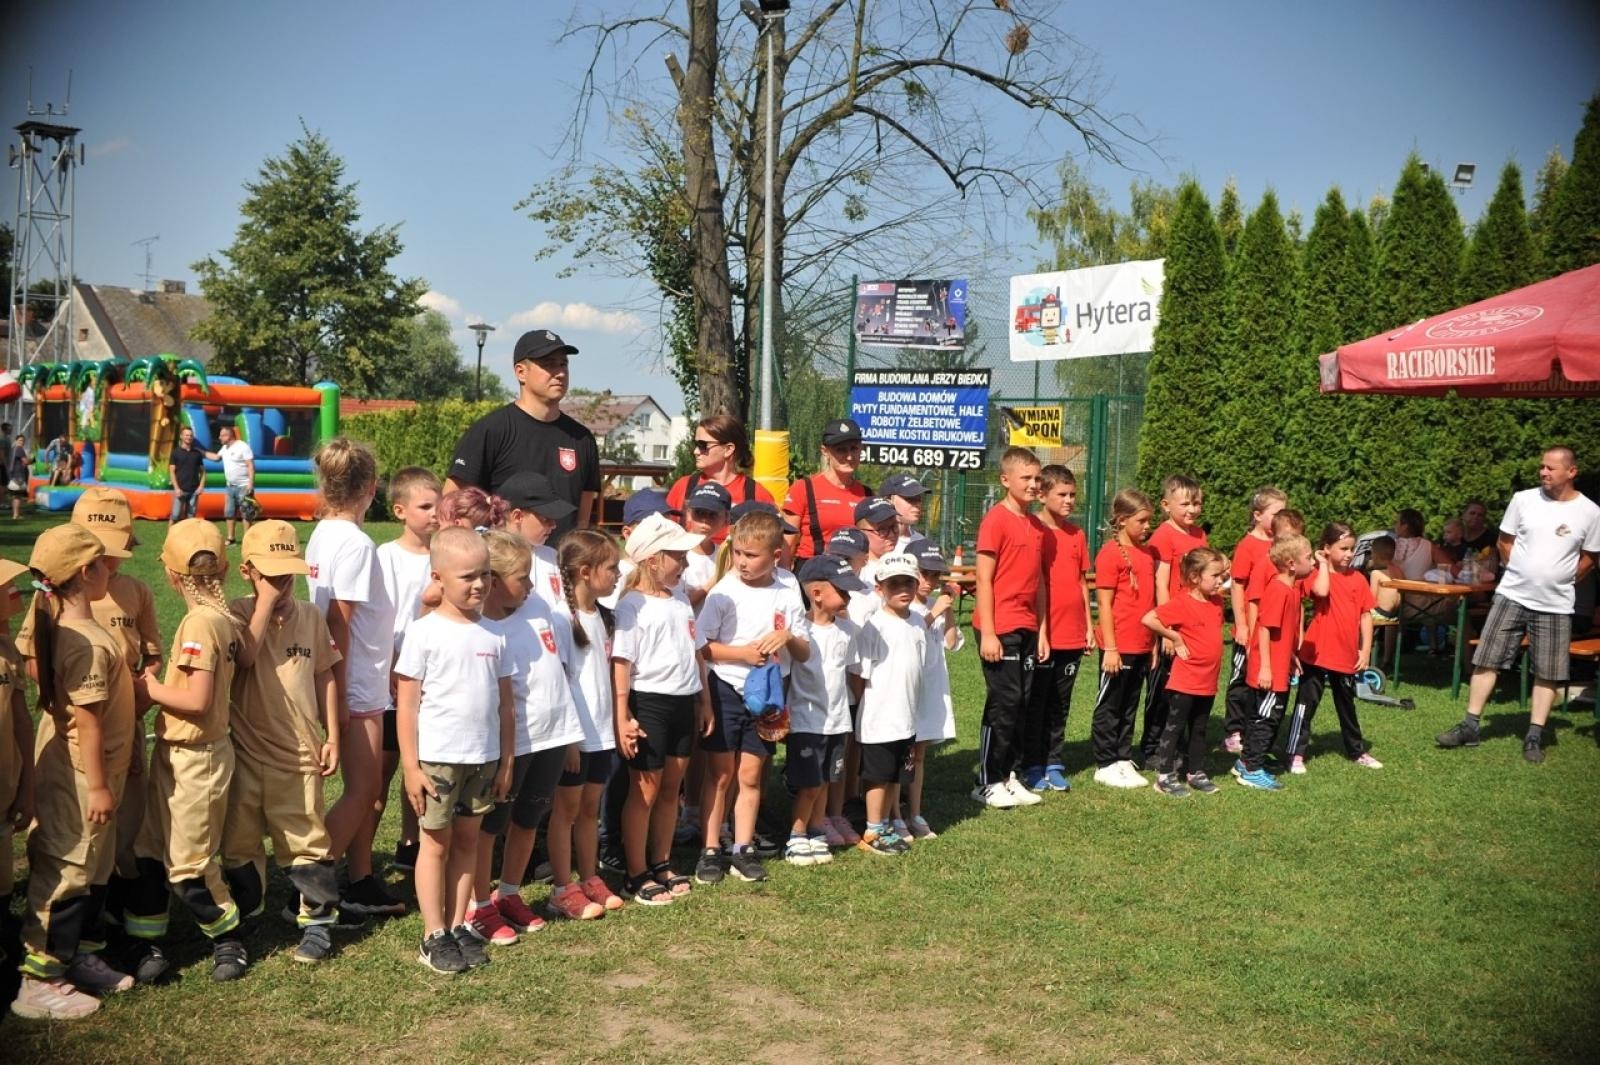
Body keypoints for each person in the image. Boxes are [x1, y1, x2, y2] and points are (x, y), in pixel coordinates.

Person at [17, 488, 164, 932]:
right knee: (66, 832)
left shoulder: (135, 593)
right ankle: (56, 929)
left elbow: (153, 655)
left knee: (121, 828)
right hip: (74, 732)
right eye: (101, 553)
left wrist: (135, 695)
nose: (109, 562)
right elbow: (31, 658)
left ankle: (104, 919)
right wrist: (85, 693)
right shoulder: (54, 596)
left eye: (115, 552)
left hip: (123, 730)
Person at [12, 527, 135, 1019]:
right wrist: (100, 786)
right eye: (105, 562)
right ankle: (37, 980)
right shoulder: (82, 641)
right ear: (87, 572)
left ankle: (78, 953)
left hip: (98, 774)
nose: (112, 569)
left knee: (91, 868)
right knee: (67, 869)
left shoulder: (69, 625)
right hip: (84, 779)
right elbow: (86, 721)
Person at [125, 519, 249, 981]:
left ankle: (228, 937)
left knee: (189, 864)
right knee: (149, 847)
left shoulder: (199, 622)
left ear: (173, 577)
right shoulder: (224, 616)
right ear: (226, 567)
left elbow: (196, 701)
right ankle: (147, 940)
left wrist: (150, 688)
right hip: (178, 754)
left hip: (198, 758)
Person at [220, 521, 343, 964]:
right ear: (246, 571)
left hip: (301, 753)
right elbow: (247, 657)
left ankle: (317, 924)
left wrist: (333, 735)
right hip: (247, 755)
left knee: (309, 840)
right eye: (270, 576)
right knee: (239, 842)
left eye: (287, 574)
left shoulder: (309, 616)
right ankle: (248, 914)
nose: (282, 583)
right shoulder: (234, 614)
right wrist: (264, 604)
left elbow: (326, 673)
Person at [396, 527, 515, 974]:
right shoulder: (423, 633)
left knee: (468, 842)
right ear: (438, 578)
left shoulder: (495, 636)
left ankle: (457, 923)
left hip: (483, 759)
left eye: (485, 574)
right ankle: (433, 933)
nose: (479, 584)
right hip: (438, 759)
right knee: (435, 844)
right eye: (467, 576)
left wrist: (506, 760)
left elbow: (506, 707)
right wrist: (411, 766)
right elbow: (406, 706)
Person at [1438, 447, 1600, 763]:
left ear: (1571, 472)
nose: (1543, 472)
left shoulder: (1590, 512)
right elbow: (1504, 541)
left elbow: (1591, 557)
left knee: (1548, 671)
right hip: (1511, 595)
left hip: (1556, 604)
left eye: (1551, 468)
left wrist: (1562, 580)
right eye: (1542, 467)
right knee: (1487, 658)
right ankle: (1470, 725)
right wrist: (1520, 574)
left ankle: (1534, 736)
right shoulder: (1523, 499)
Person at [468, 531, 590, 941]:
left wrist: (570, 734)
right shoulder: (481, 627)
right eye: (522, 577)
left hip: (553, 736)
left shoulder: (538, 606)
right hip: (512, 745)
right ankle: (479, 905)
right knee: (491, 827)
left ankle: (509, 893)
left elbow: (561, 673)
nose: (533, 586)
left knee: (529, 820)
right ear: (493, 580)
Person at [305, 439, 404, 919]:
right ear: (372, 487)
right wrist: (339, 698)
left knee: (361, 791)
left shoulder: (324, 532)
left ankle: (359, 881)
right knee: (363, 791)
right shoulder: (358, 545)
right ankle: (307, 888)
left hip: (357, 680)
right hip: (355, 685)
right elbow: (338, 625)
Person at [696, 510, 811, 885]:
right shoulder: (724, 591)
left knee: (751, 772)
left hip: (769, 692)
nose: (743, 562)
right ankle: (711, 847)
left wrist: (788, 638)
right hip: (726, 687)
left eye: (752, 555)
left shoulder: (788, 584)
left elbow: (804, 648)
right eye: (739, 553)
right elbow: (703, 647)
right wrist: (742, 654)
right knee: (720, 774)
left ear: (776, 555)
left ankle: (742, 848)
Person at [611, 514, 712, 905]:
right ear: (652, 559)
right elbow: (621, 663)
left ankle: (661, 861)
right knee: (645, 791)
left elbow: (697, 654)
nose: (683, 562)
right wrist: (622, 715)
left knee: (672, 788)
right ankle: (635, 871)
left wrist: (703, 700)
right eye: (675, 555)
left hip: (683, 701)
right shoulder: (631, 606)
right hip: (649, 701)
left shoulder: (682, 600)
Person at [446, 329, 600, 538]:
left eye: (563, 364)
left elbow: (582, 519)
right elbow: (451, 506)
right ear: (520, 372)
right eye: (548, 364)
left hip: (560, 566)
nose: (560, 372)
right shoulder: (492, 430)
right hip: (503, 564)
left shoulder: (582, 439)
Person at [549, 530, 625, 913]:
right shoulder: (561, 619)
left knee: (589, 809)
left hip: (601, 732)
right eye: (611, 568)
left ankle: (589, 876)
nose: (617, 574)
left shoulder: (604, 616)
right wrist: (570, 740)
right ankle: (563, 887)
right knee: (565, 812)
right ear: (584, 571)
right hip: (576, 737)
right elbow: (560, 681)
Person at [970, 447, 1047, 809]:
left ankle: (1008, 776)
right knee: (1005, 701)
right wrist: (988, 631)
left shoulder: (1036, 526)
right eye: (1026, 478)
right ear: (1006, 480)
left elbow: (1040, 583)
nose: (1034, 485)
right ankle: (985, 779)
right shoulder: (996, 520)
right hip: (998, 627)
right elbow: (983, 580)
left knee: (1023, 704)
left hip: (1028, 626)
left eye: (1037, 479)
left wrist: (1043, 630)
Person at [375, 466, 442, 873]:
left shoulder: (445, 554)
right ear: (399, 510)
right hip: (391, 678)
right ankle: (361, 855)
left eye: (439, 505)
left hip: (433, 679)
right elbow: (378, 622)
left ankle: (410, 840)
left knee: (418, 764)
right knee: (381, 771)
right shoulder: (385, 557)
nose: (435, 514)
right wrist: (390, 671)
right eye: (425, 506)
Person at [1283, 523, 1384, 775]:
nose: (1350, 554)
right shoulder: (1314, 575)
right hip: (1315, 654)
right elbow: (1322, 591)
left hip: (1346, 655)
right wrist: (1323, 564)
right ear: (1326, 549)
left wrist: (1366, 649)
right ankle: (1296, 752)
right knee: (1306, 704)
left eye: (1352, 549)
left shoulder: (1359, 579)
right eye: (1343, 548)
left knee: (1347, 705)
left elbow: (1365, 616)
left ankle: (1357, 750)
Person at [787, 554, 865, 859]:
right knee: (810, 783)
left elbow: (849, 675)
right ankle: (796, 833)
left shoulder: (848, 632)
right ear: (817, 594)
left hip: (837, 721)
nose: (847, 598)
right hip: (806, 722)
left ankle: (817, 829)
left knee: (826, 781)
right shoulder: (799, 632)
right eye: (842, 592)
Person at [851, 553, 926, 856]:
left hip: (906, 717)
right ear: (879, 588)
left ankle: (887, 823)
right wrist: (870, 708)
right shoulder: (874, 626)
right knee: (879, 776)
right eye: (894, 584)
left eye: (908, 582)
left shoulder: (918, 622)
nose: (903, 590)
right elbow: (860, 676)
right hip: (880, 718)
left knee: (897, 774)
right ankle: (872, 829)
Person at [1024, 464, 1092, 792]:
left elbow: (1080, 581)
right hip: (1045, 634)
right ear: (1043, 494)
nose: (1069, 501)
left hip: (1073, 633)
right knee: (1037, 700)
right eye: (1062, 494)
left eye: (1072, 495)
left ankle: (1054, 761)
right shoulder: (1035, 529)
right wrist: (1042, 631)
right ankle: (1032, 763)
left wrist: (1089, 627)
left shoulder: (1077, 534)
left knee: (1060, 702)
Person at [1142, 547, 1229, 797]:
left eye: (1221, 575)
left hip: (1208, 680)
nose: (1219, 580)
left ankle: (1196, 772)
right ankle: (1165, 776)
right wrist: (1175, 637)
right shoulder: (1181, 602)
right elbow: (1149, 619)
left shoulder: (1216, 602)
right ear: (1194, 576)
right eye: (1214, 576)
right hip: (1185, 681)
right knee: (1175, 727)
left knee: (1200, 729)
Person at [1235, 534, 1317, 791]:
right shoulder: (1279, 590)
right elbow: (1264, 630)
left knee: (1267, 715)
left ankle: (1246, 761)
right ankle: (1252, 769)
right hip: (1268, 670)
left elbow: (1282, 631)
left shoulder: (1292, 589)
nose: (1313, 562)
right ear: (1292, 563)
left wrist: (1291, 654)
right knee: (1265, 718)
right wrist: (1267, 667)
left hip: (1280, 665)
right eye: (1309, 557)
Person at [1090, 489, 1158, 789]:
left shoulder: (1147, 554)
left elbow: (1150, 602)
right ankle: (1104, 763)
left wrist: (1153, 643)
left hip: (1142, 644)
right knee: (1110, 704)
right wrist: (1111, 648)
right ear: (1121, 520)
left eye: (1149, 521)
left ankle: (1122, 757)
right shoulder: (1109, 554)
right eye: (1141, 521)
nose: (1147, 526)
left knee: (1130, 704)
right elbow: (1104, 604)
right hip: (1118, 646)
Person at [1140, 474, 1208, 769]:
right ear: (1167, 505)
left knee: (1184, 693)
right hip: (1171, 628)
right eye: (1185, 504)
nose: (1192, 510)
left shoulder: (1199, 536)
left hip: (1192, 630)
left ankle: (1177, 748)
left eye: (1196, 503)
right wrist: (1167, 632)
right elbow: (1161, 582)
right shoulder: (1164, 536)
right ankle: (1152, 748)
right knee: (1162, 691)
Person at [1223, 487, 1288, 755]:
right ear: (1258, 514)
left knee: (1262, 677)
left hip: (1270, 628)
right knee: (1240, 678)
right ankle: (1233, 732)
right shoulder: (1247, 546)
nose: (1281, 518)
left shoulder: (1280, 545)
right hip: (1249, 627)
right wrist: (1242, 625)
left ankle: (1255, 726)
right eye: (1276, 513)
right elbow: (1237, 587)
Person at [904, 540, 961, 839]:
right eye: (924, 574)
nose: (929, 582)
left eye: (935, 576)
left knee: (919, 754)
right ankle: (893, 814)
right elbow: (909, 636)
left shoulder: (933, 605)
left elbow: (952, 642)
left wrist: (946, 609)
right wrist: (934, 611)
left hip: (931, 690)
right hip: (906, 690)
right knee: (902, 754)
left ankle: (914, 812)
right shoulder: (903, 606)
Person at [0, 557, 33, 977]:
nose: (14, 592)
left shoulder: (7, 648)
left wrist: (27, 784)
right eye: (6, 586)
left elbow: (22, 717)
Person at [665, 414, 774, 532]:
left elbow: (774, 540)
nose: (696, 451)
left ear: (728, 449)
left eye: (703, 445)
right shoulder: (684, 487)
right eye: (696, 445)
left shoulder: (756, 493)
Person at [783, 418, 870, 563]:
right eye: (841, 450)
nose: (849, 456)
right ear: (825, 451)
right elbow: (787, 543)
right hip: (812, 572)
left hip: (852, 573)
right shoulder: (803, 488)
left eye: (854, 448)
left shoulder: (867, 494)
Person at [498, 471, 577, 615]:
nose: (554, 525)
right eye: (546, 518)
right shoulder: (492, 557)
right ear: (518, 516)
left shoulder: (552, 556)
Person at [208, 425, 255, 546]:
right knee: (229, 513)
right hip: (230, 487)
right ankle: (231, 538)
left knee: (246, 513)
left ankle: (247, 539)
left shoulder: (242, 446)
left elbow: (250, 465)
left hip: (244, 486)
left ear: (229, 436)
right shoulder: (225, 448)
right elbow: (216, 458)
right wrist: (201, 452)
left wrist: (250, 483)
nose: (219, 437)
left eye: (222, 435)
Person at [166, 426, 207, 523]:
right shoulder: (176, 453)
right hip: (180, 490)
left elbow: (203, 472)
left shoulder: (197, 453)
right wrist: (176, 488)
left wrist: (201, 486)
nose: (189, 437)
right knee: (175, 516)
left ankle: (188, 537)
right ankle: (169, 537)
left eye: (191, 435)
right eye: (186, 435)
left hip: (194, 491)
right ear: (181, 436)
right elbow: (171, 471)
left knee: (191, 518)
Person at [880, 472, 927, 551]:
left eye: (919, 499)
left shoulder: (922, 543)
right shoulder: (873, 541)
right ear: (889, 501)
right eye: (910, 498)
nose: (918, 504)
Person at [7, 432, 28, 519]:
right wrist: (33, 459)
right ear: (16, 441)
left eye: (23, 441)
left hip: (13, 475)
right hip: (18, 475)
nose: (21, 442)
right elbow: (25, 461)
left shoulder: (13, 449)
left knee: (15, 496)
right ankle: (16, 515)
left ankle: (16, 513)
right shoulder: (19, 449)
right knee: (18, 496)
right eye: (19, 440)